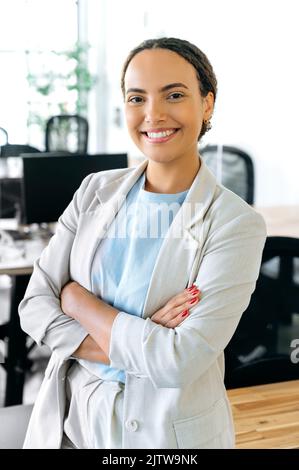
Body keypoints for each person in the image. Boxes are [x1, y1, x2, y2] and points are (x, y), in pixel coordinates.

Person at [18, 37, 266, 449]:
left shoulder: (235, 224)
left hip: (167, 435)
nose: (153, 114)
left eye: (174, 94)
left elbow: (177, 362)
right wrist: (144, 340)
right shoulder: (94, 190)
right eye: (137, 98)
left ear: (207, 104)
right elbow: (34, 305)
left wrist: (80, 302)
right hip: (74, 420)